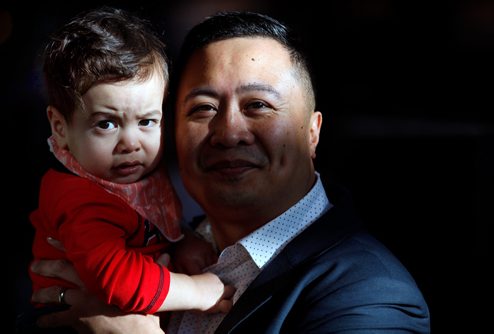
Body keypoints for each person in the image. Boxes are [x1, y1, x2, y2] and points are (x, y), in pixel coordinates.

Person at [29, 10, 431, 333]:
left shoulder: (370, 296)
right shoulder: (162, 239)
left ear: (312, 133)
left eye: (257, 105)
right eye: (202, 109)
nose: (228, 132)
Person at [19, 6, 234, 333]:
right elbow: (117, 278)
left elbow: (146, 229)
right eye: (106, 124)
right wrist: (197, 290)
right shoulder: (81, 197)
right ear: (60, 127)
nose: (130, 143)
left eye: (147, 121)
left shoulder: (134, 174)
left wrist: (181, 240)